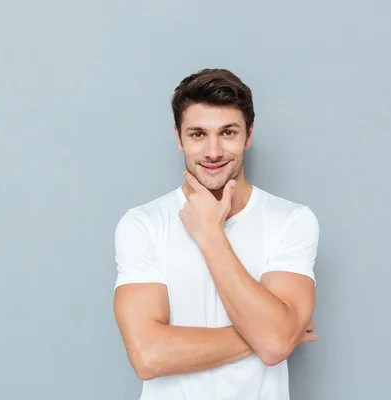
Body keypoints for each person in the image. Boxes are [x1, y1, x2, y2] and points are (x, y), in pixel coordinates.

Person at [113, 68, 320, 400]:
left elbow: (275, 343)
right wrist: (273, 334)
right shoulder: (143, 224)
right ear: (178, 139)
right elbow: (148, 356)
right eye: (197, 134)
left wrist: (210, 234)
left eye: (228, 132)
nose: (213, 152)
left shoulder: (291, 221)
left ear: (248, 135)